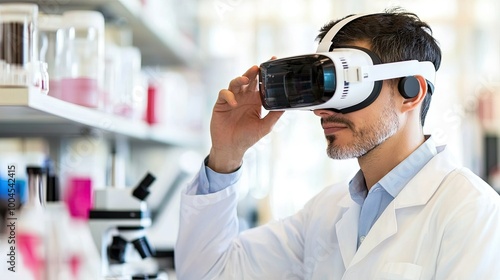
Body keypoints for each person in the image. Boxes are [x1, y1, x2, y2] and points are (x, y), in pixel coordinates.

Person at [174, 8, 500, 280]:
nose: (322, 110)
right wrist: (226, 154)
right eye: (321, 88)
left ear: (409, 93)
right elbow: (208, 273)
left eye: (344, 86)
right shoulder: (326, 211)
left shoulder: (471, 211)